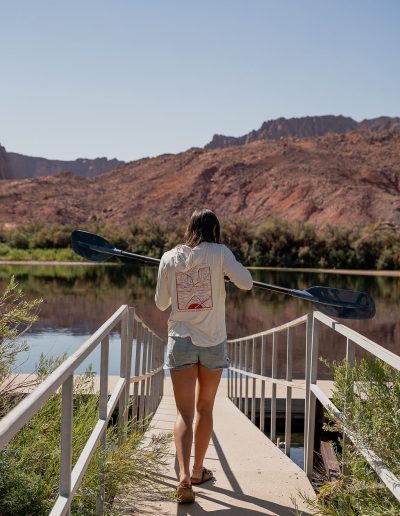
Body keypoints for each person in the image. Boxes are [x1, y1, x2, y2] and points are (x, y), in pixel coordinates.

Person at [155, 208, 253, 503]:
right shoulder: (221, 253)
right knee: (204, 408)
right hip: (212, 342)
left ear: (190, 228)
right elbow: (246, 282)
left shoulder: (169, 257)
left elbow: (161, 304)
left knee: (183, 412)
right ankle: (198, 470)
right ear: (215, 230)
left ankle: (183, 477)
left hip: (181, 340)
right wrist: (222, 274)